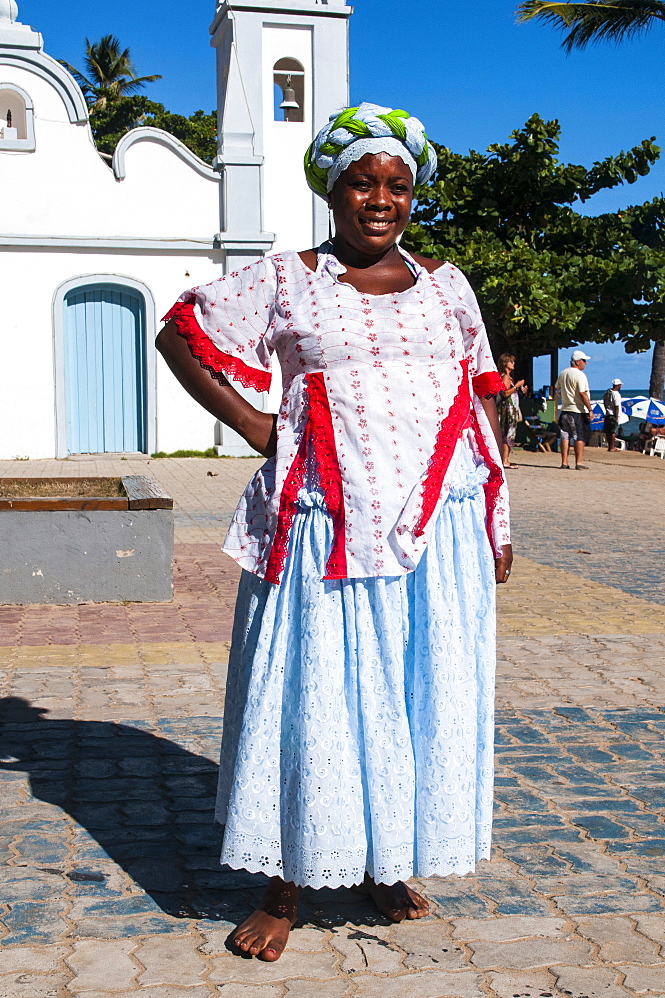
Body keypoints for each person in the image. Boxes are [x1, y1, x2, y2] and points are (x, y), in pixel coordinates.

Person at [156, 102, 512, 962]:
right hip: (323, 523)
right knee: (311, 693)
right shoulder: (284, 279)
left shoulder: (448, 285)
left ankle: (383, 862)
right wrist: (255, 425)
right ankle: (284, 884)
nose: (380, 199)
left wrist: (498, 516)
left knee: (415, 693)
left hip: (440, 524)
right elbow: (180, 334)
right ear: (332, 188)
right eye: (362, 182)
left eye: (396, 185)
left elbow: (482, 397)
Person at [555, 350, 593, 469]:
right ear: (577, 362)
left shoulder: (563, 373)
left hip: (565, 409)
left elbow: (557, 389)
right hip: (576, 410)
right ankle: (579, 462)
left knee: (565, 436)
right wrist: (589, 409)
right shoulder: (579, 375)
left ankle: (564, 462)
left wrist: (565, 397)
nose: (585, 363)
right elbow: (582, 393)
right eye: (584, 361)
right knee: (578, 436)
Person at [496, 353, 527, 468]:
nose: (513, 364)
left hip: (507, 409)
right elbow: (505, 393)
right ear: (505, 363)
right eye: (511, 361)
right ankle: (505, 460)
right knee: (508, 434)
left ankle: (504, 460)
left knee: (505, 434)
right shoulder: (505, 377)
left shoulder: (505, 376)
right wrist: (516, 386)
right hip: (507, 411)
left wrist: (518, 389)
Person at [602, 378, 623, 452]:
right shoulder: (616, 394)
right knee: (613, 431)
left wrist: (606, 410)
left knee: (608, 431)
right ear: (618, 385)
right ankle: (612, 447)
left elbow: (604, 402)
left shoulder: (607, 392)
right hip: (613, 415)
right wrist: (616, 417)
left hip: (607, 414)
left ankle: (609, 446)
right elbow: (616, 406)